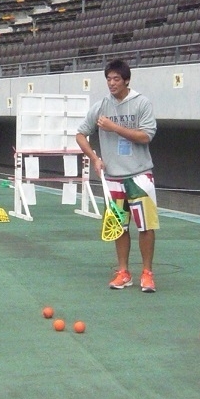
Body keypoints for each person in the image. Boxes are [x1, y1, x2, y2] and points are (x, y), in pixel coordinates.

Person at [76, 58, 158, 293]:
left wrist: (114, 128)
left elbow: (146, 136)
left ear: (126, 80)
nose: (111, 83)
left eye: (116, 79)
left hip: (140, 176)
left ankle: (147, 273)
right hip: (112, 178)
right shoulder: (101, 106)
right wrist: (94, 158)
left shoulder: (141, 103)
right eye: (108, 79)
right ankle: (123, 272)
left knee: (145, 227)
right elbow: (81, 134)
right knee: (119, 227)